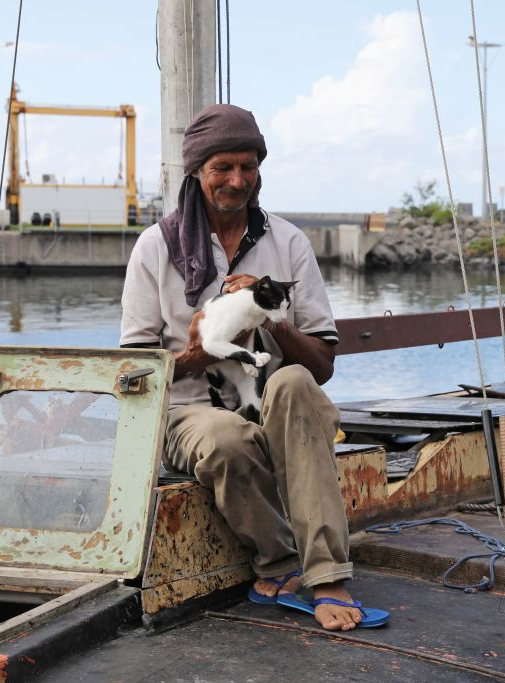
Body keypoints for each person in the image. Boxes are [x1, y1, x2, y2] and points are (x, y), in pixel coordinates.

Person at [120, 104, 373, 631]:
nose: (238, 181)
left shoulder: (288, 242)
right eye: (223, 168)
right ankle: (280, 560)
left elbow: (324, 362)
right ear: (196, 172)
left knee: (296, 382)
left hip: (272, 401)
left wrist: (270, 313)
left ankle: (326, 574)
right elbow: (133, 376)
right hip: (189, 412)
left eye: (249, 167)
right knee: (227, 438)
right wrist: (200, 352)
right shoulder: (155, 248)